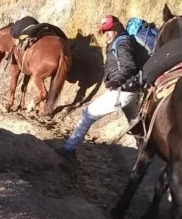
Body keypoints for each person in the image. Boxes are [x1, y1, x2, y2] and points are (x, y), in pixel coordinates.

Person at [59, 15, 141, 158]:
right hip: (131, 90)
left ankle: (69, 149)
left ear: (116, 27)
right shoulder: (121, 41)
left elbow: (129, 65)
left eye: (108, 30)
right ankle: (149, 155)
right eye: (104, 31)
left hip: (122, 91)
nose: (106, 34)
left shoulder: (121, 43)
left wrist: (117, 80)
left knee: (87, 114)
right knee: (137, 127)